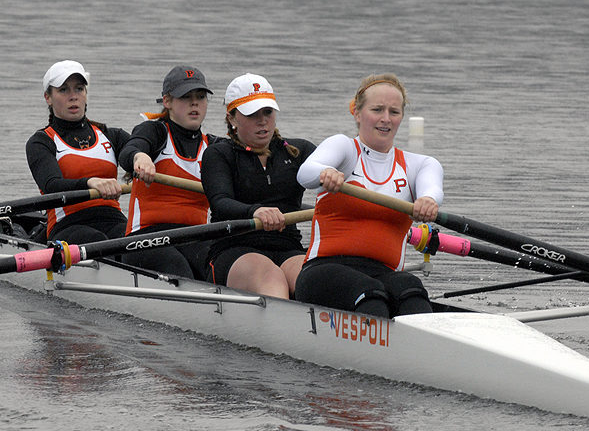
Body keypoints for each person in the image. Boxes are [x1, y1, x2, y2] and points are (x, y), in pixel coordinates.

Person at [294, 73, 443, 318]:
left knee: (411, 289)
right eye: (377, 109)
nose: (385, 119)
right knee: (371, 294)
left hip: (384, 273)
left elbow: (433, 189)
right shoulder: (343, 148)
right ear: (357, 113)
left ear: (401, 117)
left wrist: (427, 200)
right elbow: (305, 174)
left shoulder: (419, 165)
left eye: (394, 112)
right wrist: (326, 173)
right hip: (324, 271)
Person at [200, 73, 315, 298]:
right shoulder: (219, 154)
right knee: (272, 278)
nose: (262, 121)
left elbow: (344, 168)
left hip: (288, 248)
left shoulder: (299, 152)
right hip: (234, 249)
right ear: (232, 118)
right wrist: (256, 211)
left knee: (313, 280)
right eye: (252, 114)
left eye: (268, 112)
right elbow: (220, 202)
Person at [118, 65, 220, 278]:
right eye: (186, 97)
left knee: (220, 266)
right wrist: (141, 157)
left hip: (195, 236)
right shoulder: (154, 131)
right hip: (145, 238)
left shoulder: (215, 147)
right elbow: (130, 150)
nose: (194, 103)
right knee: (177, 269)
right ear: (167, 101)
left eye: (200, 97)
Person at [25, 59, 130, 244]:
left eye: (79, 89)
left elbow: (138, 151)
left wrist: (141, 158)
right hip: (68, 225)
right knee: (97, 241)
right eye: (63, 90)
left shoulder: (112, 136)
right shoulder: (41, 142)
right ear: (48, 97)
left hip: (114, 219)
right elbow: (52, 185)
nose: (73, 96)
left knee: (130, 238)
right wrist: (90, 182)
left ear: (86, 94)